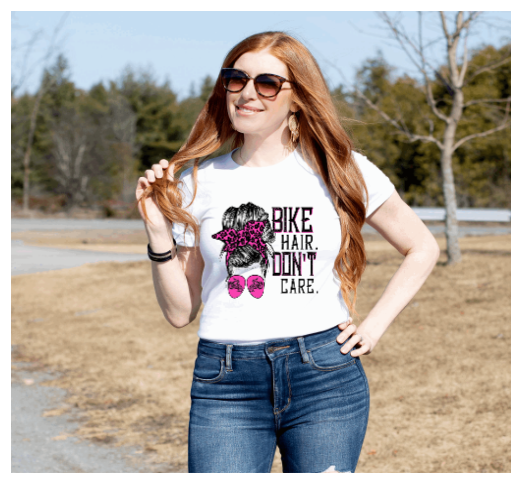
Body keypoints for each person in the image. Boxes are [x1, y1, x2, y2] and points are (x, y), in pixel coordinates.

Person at [135, 31, 440, 473]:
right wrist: (157, 231)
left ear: (297, 97)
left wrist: (371, 330)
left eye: (267, 83)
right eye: (235, 79)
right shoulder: (196, 182)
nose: (246, 93)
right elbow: (180, 312)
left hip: (324, 376)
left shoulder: (341, 169)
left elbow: (422, 246)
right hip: (227, 382)